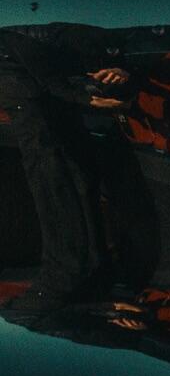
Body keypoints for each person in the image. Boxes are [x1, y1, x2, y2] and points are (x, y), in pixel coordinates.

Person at [0, 24, 132, 306]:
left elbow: (51, 78)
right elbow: (50, 77)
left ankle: (79, 272)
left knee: (62, 184)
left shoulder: (30, 35)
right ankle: (81, 272)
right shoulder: (31, 37)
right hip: (41, 110)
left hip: (43, 112)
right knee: (61, 183)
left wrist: (113, 73)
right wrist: (89, 95)